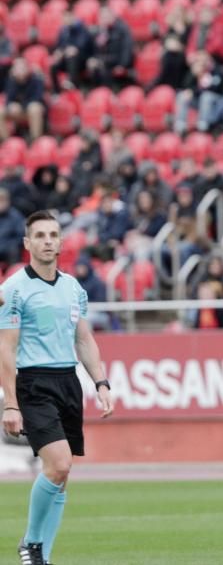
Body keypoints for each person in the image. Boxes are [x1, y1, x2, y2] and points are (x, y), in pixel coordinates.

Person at [0, 210, 115, 565]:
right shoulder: (12, 290)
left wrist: (101, 381)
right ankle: (31, 542)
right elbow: (6, 347)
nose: (48, 241)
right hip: (34, 382)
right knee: (59, 464)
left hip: (68, 382)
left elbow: (83, 339)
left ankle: (42, 558)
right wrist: (10, 403)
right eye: (40, 235)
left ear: (62, 242)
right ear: (28, 243)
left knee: (63, 477)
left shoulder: (73, 288)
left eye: (53, 235)